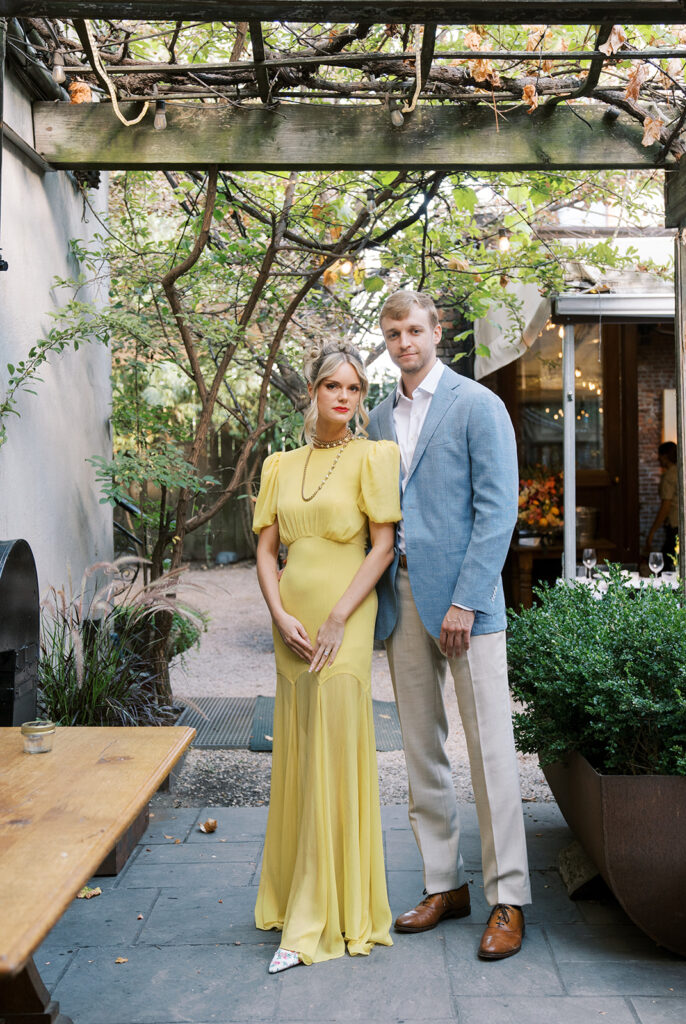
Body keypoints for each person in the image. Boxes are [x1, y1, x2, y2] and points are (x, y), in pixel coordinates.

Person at [367, 290, 531, 961]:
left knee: (490, 752)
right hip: (401, 599)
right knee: (420, 748)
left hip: (469, 606)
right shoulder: (379, 415)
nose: (404, 342)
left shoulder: (476, 405)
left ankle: (507, 898)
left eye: (414, 330)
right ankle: (445, 884)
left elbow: (497, 511)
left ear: (437, 332)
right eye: (392, 332)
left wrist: (464, 600)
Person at [251, 342, 401, 974]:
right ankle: (293, 898)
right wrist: (278, 614)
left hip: (347, 621)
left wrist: (340, 612)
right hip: (292, 626)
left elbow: (383, 546)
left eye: (356, 389)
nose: (344, 397)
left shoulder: (375, 456)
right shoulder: (279, 464)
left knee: (336, 750)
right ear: (312, 391)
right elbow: (265, 552)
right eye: (333, 386)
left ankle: (325, 913)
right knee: (300, 753)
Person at [644, 441, 678, 570]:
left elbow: (666, 506)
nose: (658, 458)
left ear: (665, 456)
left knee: (665, 564)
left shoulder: (669, 476)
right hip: (681, 524)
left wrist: (652, 532)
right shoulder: (681, 472)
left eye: (660, 455)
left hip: (674, 525)